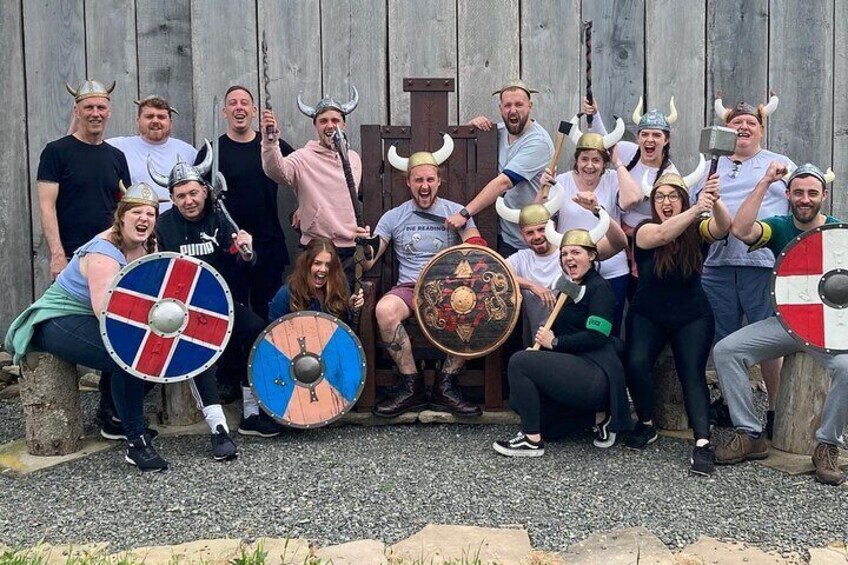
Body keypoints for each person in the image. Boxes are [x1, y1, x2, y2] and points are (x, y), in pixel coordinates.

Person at [5, 183, 237, 471]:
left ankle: (115, 418)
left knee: (156, 352)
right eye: (136, 212)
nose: (144, 219)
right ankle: (136, 443)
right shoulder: (104, 253)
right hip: (56, 320)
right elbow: (108, 315)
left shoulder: (146, 246)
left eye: (150, 214)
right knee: (129, 355)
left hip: (93, 318)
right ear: (121, 216)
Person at [714, 163, 846, 486]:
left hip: (829, 329)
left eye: (811, 192)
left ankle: (827, 444)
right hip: (789, 325)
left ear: (824, 196)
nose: (804, 198)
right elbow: (742, 231)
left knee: (846, 367)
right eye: (797, 192)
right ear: (787, 194)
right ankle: (750, 433)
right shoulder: (779, 227)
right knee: (726, 350)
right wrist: (764, 182)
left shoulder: (838, 234)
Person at [150, 154, 278, 439]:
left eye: (193, 193)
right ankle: (216, 426)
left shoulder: (220, 218)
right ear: (171, 198)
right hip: (179, 310)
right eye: (181, 195)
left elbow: (244, 260)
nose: (189, 201)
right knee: (196, 350)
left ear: (205, 191)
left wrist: (248, 251)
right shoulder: (162, 226)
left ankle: (251, 413)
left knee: (256, 330)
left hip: (221, 303)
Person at [364, 135, 487, 418]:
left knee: (478, 309)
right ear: (408, 182)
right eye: (418, 180)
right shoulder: (393, 217)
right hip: (409, 287)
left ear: (438, 181)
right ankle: (411, 386)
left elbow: (479, 252)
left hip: (450, 288)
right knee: (384, 309)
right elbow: (371, 258)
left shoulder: (455, 211)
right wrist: (363, 246)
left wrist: (465, 230)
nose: (424, 186)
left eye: (430, 180)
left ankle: (446, 384)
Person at [493, 208, 629, 456]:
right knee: (530, 410)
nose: (569, 258)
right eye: (565, 254)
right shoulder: (568, 288)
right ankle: (599, 417)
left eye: (576, 252)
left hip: (597, 372)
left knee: (520, 361)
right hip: (574, 367)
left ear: (591, 256)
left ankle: (531, 442)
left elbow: (597, 336)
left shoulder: (600, 289)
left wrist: (554, 342)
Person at [624, 162, 731, 476]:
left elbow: (722, 228)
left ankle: (702, 442)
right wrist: (699, 207)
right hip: (648, 314)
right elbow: (660, 235)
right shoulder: (645, 228)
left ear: (682, 200)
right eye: (660, 197)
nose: (666, 202)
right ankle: (646, 423)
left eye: (673, 197)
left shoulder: (697, 229)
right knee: (636, 364)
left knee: (692, 374)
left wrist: (716, 200)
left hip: (692, 316)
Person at [37, 78, 131, 434]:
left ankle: (112, 413)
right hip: (75, 263)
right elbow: (47, 207)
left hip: (111, 260)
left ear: (108, 112)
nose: (95, 113)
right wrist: (57, 255)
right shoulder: (56, 151)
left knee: (116, 326)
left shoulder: (116, 157)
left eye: (101, 107)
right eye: (88, 107)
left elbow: (127, 207)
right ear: (76, 111)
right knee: (91, 329)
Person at [699, 95, 795, 434]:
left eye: (750, 123)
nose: (742, 127)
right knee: (723, 337)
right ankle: (728, 404)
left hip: (762, 264)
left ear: (760, 130)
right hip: (718, 265)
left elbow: (799, 202)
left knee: (768, 341)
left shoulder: (780, 164)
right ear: (727, 129)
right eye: (736, 123)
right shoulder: (712, 164)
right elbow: (698, 205)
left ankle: (775, 411)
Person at [196, 85, 296, 321]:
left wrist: (303, 206)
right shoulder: (211, 152)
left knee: (270, 311)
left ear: (254, 111)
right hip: (226, 247)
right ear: (224, 112)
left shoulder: (274, 146)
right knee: (232, 314)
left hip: (268, 243)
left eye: (244, 103)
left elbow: (302, 175)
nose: (239, 107)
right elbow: (195, 196)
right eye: (233, 103)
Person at [543, 114, 641, 335]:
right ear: (576, 160)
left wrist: (617, 162)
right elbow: (538, 216)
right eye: (584, 159)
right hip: (571, 270)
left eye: (596, 160)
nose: (590, 165)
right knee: (569, 329)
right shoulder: (562, 181)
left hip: (612, 269)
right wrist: (543, 188)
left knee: (607, 331)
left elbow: (632, 199)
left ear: (604, 163)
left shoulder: (613, 178)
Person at [496, 187, 627, 346]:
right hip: (539, 342)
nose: (537, 236)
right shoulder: (521, 259)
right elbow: (496, 275)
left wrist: (598, 210)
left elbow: (619, 243)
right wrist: (532, 285)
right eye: (530, 233)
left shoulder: (570, 250)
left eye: (541, 229)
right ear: (522, 235)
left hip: (573, 342)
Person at [260, 87, 362, 279]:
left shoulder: (354, 159)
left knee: (345, 305)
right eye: (323, 121)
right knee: (312, 306)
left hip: (349, 248)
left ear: (344, 124)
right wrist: (270, 141)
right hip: (314, 247)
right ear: (315, 125)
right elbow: (276, 171)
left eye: (335, 120)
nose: (330, 126)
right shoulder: (302, 158)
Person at [446, 80, 554, 257]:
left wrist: (464, 213)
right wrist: (469, 129)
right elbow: (460, 155)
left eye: (519, 104)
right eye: (507, 105)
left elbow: (504, 183)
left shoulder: (538, 142)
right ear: (500, 109)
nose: (513, 110)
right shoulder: (498, 132)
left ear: (530, 106)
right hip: (507, 236)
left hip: (534, 239)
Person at [107, 95, 197, 212]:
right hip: (136, 225)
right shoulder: (117, 147)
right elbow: (80, 145)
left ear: (170, 122)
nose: (155, 121)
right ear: (138, 120)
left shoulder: (189, 152)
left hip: (176, 226)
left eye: (161, 117)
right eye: (149, 116)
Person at [268, 238, 364, 321]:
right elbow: (274, 332)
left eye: (328, 265)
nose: (323, 269)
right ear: (306, 265)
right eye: (317, 263)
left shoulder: (341, 287)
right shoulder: (286, 294)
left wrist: (350, 307)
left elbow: (344, 332)